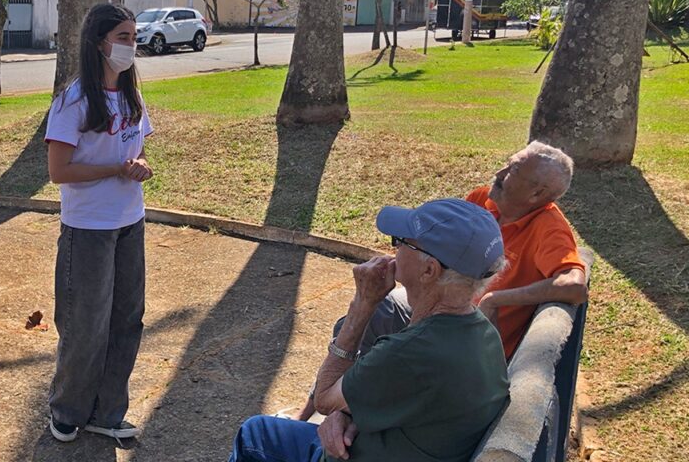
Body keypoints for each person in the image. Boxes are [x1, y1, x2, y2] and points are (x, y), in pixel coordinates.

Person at [293, 141, 587, 421]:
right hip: (440, 306)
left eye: (511, 171)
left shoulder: (550, 228)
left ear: (537, 194)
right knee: (367, 317)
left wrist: (495, 299)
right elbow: (436, 244)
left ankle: (338, 407)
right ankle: (318, 412)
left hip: (461, 329)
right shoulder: (482, 200)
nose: (498, 173)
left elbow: (574, 285)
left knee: (377, 331)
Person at [229, 199, 510, 462]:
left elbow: (325, 398)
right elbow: (399, 396)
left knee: (257, 433)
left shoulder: (410, 353)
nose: (393, 251)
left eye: (400, 243)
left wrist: (364, 303)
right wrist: (349, 414)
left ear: (429, 271)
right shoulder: (483, 333)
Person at [44, 3, 154, 443]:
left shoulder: (131, 95)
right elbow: (58, 171)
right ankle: (68, 411)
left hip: (131, 221)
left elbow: (140, 148)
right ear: (98, 43)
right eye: (123, 37)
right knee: (84, 322)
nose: (131, 45)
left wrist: (140, 165)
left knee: (127, 319)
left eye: (133, 36)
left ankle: (108, 412)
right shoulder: (73, 100)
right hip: (88, 229)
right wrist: (114, 170)